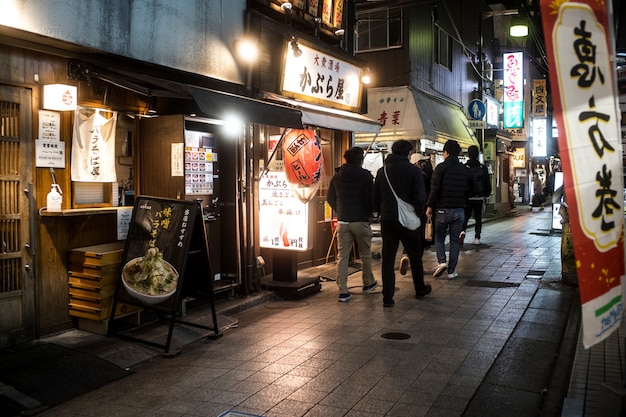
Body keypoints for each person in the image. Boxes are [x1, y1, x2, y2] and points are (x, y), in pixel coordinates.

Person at [373, 140, 431, 307]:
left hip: (388, 219)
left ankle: (388, 298)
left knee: (388, 259)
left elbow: (375, 196)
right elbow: (420, 197)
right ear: (408, 153)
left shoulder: (381, 171)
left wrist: (378, 212)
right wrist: (417, 214)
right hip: (409, 220)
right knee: (415, 255)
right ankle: (419, 289)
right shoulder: (414, 172)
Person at [327, 147, 378, 302]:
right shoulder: (366, 176)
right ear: (360, 160)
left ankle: (343, 291)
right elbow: (370, 199)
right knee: (365, 253)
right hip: (360, 220)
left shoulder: (336, 177)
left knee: (342, 256)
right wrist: (371, 213)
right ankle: (368, 283)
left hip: (343, 221)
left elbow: (330, 198)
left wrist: (340, 210)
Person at [426, 140, 480, 279]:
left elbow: (434, 189)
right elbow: (476, 188)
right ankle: (451, 271)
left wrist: (429, 205)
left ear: (446, 152)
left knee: (439, 237)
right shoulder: (465, 169)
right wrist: (464, 195)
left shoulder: (440, 168)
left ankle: (442, 261)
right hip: (459, 210)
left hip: (443, 209)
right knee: (455, 241)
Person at [399, 153, 432, 275]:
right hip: (419, 211)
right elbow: (426, 193)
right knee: (419, 238)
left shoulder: (402, 175)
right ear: (417, 163)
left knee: (407, 234)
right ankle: (416, 264)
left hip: (405, 210)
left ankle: (405, 254)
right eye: (421, 162)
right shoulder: (422, 175)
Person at [460, 145, 491, 246]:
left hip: (467, 197)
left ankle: (462, 231)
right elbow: (487, 182)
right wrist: (487, 194)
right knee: (478, 218)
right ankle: (477, 238)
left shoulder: (464, 167)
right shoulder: (483, 167)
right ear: (477, 154)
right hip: (479, 197)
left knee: (465, 217)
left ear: (468, 154)